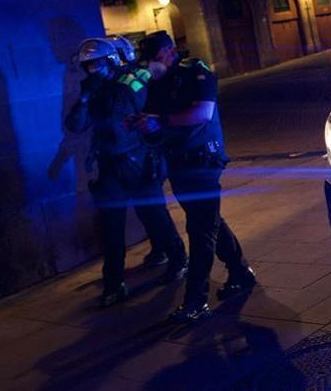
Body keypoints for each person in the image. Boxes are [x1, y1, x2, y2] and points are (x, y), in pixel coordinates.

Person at [133, 31, 255, 322]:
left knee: (199, 230)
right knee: (210, 222)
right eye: (147, 59)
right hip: (177, 163)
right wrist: (143, 125)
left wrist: (159, 121)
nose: (151, 64)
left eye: (154, 57)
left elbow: (201, 113)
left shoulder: (196, 72)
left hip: (203, 162)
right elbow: (152, 121)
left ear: (169, 51)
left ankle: (195, 300)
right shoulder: (157, 83)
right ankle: (240, 271)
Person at [66, 37, 187, 307]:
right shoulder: (92, 90)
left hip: (139, 161)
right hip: (110, 166)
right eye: (88, 65)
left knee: (154, 216)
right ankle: (114, 284)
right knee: (111, 227)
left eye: (96, 63)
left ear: (110, 60)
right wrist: (85, 97)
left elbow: (147, 103)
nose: (92, 69)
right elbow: (76, 124)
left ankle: (178, 260)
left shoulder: (131, 80)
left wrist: (114, 91)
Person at [108, 35, 180, 268]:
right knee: (145, 209)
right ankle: (161, 249)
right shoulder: (115, 83)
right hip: (129, 156)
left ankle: (176, 256)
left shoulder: (134, 80)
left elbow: (149, 114)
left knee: (155, 210)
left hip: (143, 155)